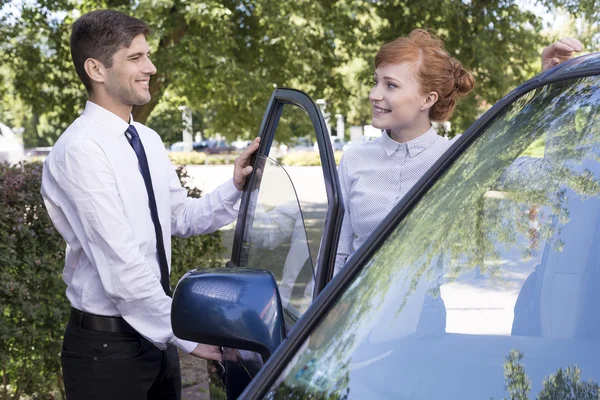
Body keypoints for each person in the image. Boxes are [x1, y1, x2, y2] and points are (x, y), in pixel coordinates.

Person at [40, 9, 259, 400]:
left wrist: (235, 186)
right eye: (136, 58)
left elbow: (178, 217)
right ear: (96, 69)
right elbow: (123, 266)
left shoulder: (147, 139)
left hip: (154, 339)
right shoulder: (80, 152)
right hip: (105, 354)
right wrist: (185, 337)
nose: (151, 68)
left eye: (148, 55)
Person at [334, 31, 583, 276]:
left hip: (422, 313)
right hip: (351, 313)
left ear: (427, 99)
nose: (374, 94)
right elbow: (337, 253)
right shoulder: (355, 159)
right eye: (376, 81)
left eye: (390, 85)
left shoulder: (460, 157)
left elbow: (554, 178)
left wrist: (556, 87)